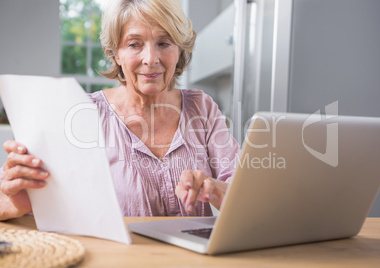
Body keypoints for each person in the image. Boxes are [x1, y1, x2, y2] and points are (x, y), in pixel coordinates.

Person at [0, 0, 240, 220]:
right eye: (134, 44)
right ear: (115, 53)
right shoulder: (82, 114)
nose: (151, 58)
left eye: (164, 43)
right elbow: (24, 202)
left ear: (179, 50)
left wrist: (212, 186)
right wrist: (15, 202)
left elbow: (245, 191)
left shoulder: (202, 107)